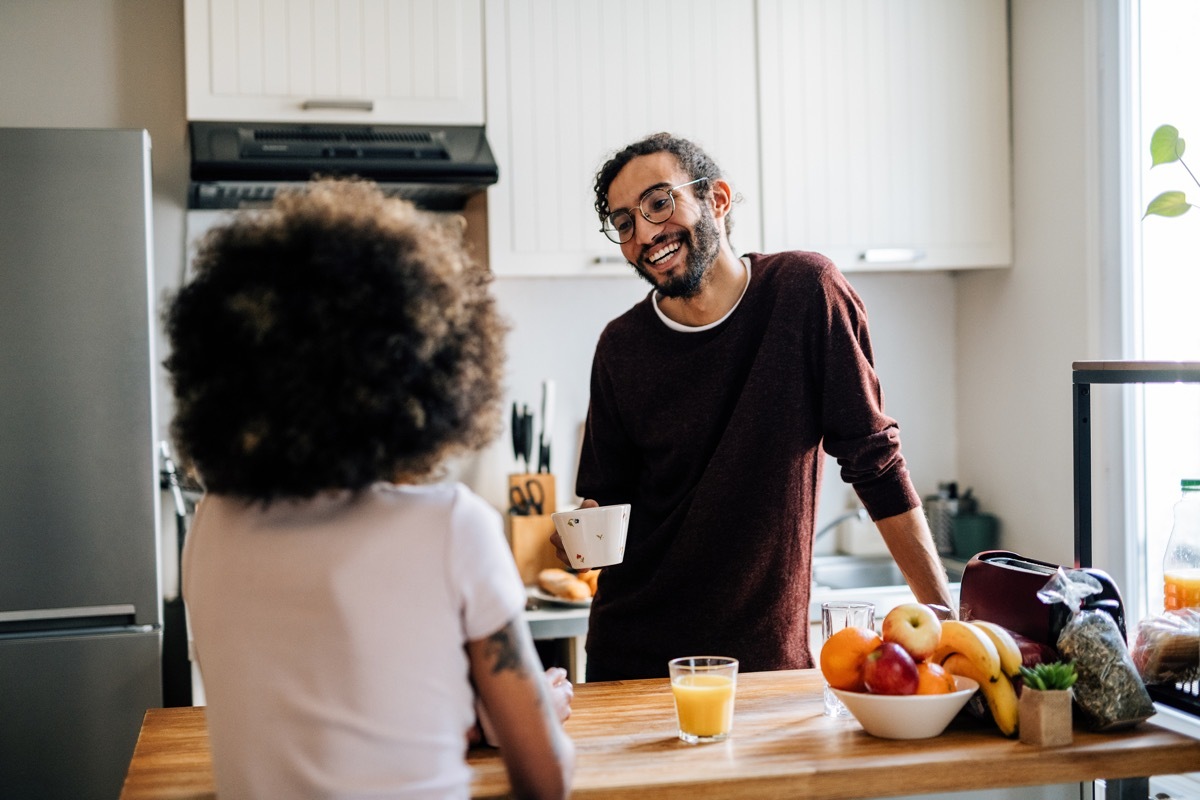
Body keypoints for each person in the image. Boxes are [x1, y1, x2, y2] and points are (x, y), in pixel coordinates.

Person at [165, 178, 574, 799]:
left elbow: (316, 719)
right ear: (422, 368)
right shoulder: (451, 526)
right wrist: (525, 710)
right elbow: (545, 780)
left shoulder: (213, 525)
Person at [554, 133, 955, 682]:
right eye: (624, 222)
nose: (645, 233)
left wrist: (945, 624)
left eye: (658, 202)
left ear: (716, 199)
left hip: (762, 663)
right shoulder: (620, 346)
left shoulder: (805, 292)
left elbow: (875, 462)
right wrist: (579, 537)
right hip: (632, 661)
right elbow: (609, 502)